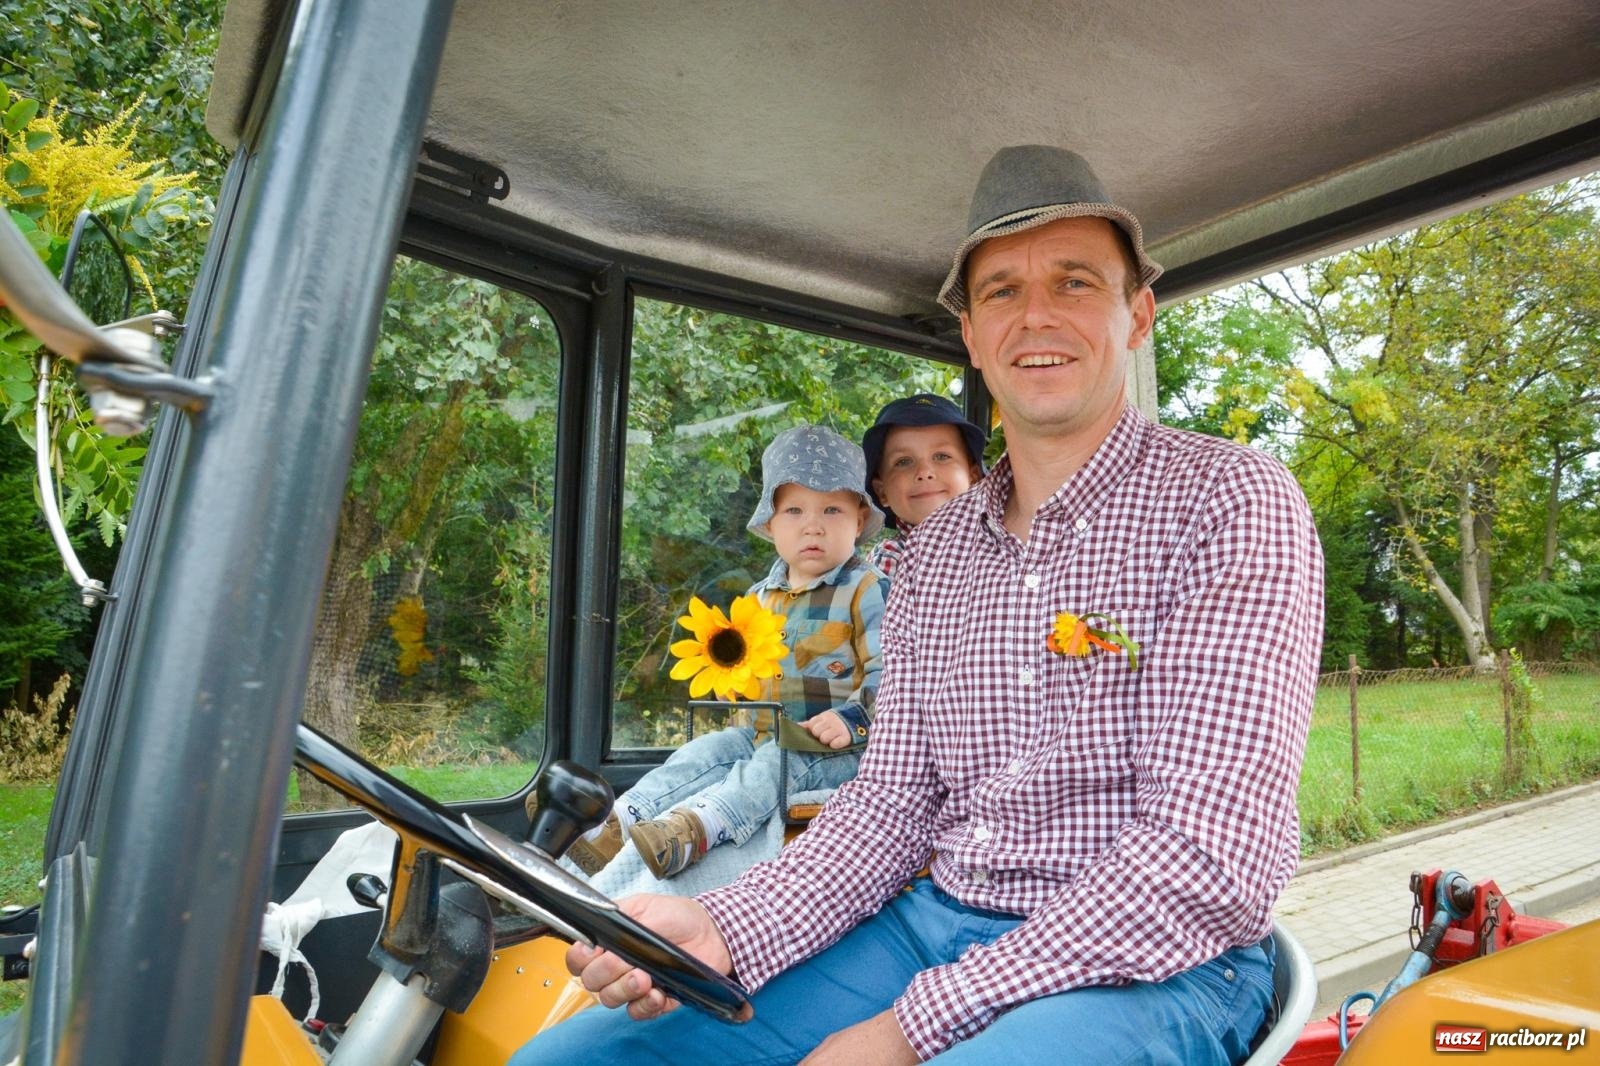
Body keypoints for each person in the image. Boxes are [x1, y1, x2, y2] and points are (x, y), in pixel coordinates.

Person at [512, 146, 1323, 1065]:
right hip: (938, 920)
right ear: (972, 336)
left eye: (1075, 281)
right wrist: (724, 928)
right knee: (567, 1060)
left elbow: (1207, 860)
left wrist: (907, 1030)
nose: (1038, 317)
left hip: (1156, 964)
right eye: (1003, 292)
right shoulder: (933, 557)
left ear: (1136, 314)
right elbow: (892, 803)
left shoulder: (1230, 500)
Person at [546, 424, 889, 881]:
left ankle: (701, 826)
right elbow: (748, 674)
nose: (813, 525)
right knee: (707, 750)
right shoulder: (757, 599)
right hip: (764, 734)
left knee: (773, 764)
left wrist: (852, 720)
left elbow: (897, 676)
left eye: (832, 509)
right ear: (770, 524)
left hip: (836, 751)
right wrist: (735, 688)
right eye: (794, 510)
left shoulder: (867, 590)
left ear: (859, 521)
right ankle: (617, 824)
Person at [861, 393, 987, 577]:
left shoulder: (1003, 544)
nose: (924, 472)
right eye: (903, 461)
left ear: (974, 477)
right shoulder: (891, 559)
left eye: (942, 456)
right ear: (882, 492)